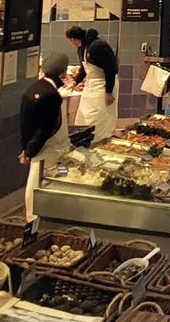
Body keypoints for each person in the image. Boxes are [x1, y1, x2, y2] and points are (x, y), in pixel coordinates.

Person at [20, 52, 71, 220]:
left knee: (59, 177)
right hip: (48, 151)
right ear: (62, 73)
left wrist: (25, 148)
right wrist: (30, 151)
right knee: (40, 186)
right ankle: (34, 222)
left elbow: (26, 125)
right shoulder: (51, 96)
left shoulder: (33, 89)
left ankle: (51, 215)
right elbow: (44, 129)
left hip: (51, 150)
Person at [66, 27, 118, 144]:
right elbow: (84, 68)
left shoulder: (99, 47)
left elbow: (111, 70)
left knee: (101, 117)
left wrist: (108, 92)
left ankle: (101, 142)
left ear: (73, 39)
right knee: (85, 115)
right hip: (91, 84)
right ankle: (84, 140)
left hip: (104, 84)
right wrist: (75, 81)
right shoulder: (82, 48)